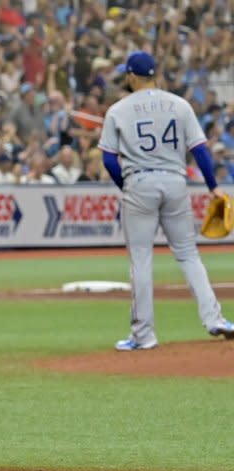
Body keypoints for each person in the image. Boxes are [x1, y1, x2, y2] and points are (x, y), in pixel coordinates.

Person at [98, 51, 234, 351]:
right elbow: (200, 150)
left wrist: (126, 185)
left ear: (132, 76)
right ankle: (214, 318)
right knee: (188, 254)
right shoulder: (179, 104)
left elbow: (109, 159)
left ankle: (144, 335)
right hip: (174, 181)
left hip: (140, 182)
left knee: (142, 260)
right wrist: (212, 186)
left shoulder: (118, 110)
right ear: (154, 74)